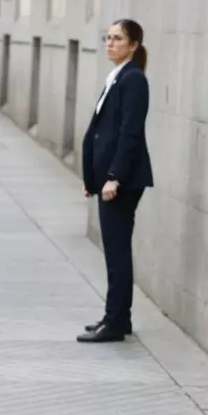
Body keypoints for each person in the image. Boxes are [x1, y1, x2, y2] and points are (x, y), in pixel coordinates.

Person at [78, 19, 153, 343]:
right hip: (108, 180)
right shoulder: (118, 77)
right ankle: (118, 318)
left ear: (134, 45)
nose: (110, 43)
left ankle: (115, 320)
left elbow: (129, 134)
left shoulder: (133, 79)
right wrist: (93, 178)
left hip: (121, 182)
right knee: (114, 252)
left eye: (118, 38)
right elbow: (101, 132)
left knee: (118, 254)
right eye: (108, 38)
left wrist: (113, 178)